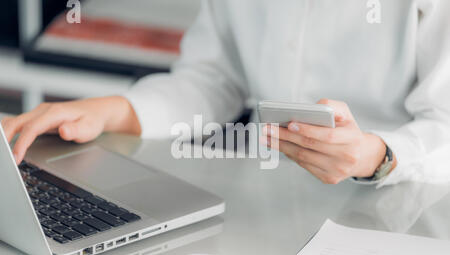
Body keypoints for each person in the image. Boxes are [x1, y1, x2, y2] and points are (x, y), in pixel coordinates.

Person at [2, 0, 450, 187]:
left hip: (401, 214)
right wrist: (110, 110)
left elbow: (444, 122)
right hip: (263, 201)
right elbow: (213, 79)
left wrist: (379, 156)